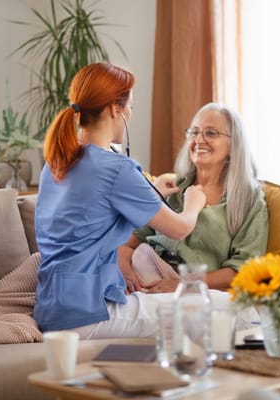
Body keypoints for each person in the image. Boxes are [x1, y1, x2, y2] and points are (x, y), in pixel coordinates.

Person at [33, 62, 208, 337]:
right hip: (86, 314)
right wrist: (193, 204)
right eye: (130, 107)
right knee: (229, 308)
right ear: (116, 109)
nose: (129, 113)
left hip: (51, 308)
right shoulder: (117, 169)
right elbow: (179, 228)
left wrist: (153, 190)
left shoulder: (56, 162)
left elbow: (94, 211)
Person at [118, 102, 269, 294]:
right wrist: (126, 272)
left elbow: (244, 269)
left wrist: (185, 283)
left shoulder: (250, 198)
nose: (199, 140)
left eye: (211, 133)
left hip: (198, 290)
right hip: (145, 276)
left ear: (233, 145)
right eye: (194, 132)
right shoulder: (170, 188)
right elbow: (127, 244)